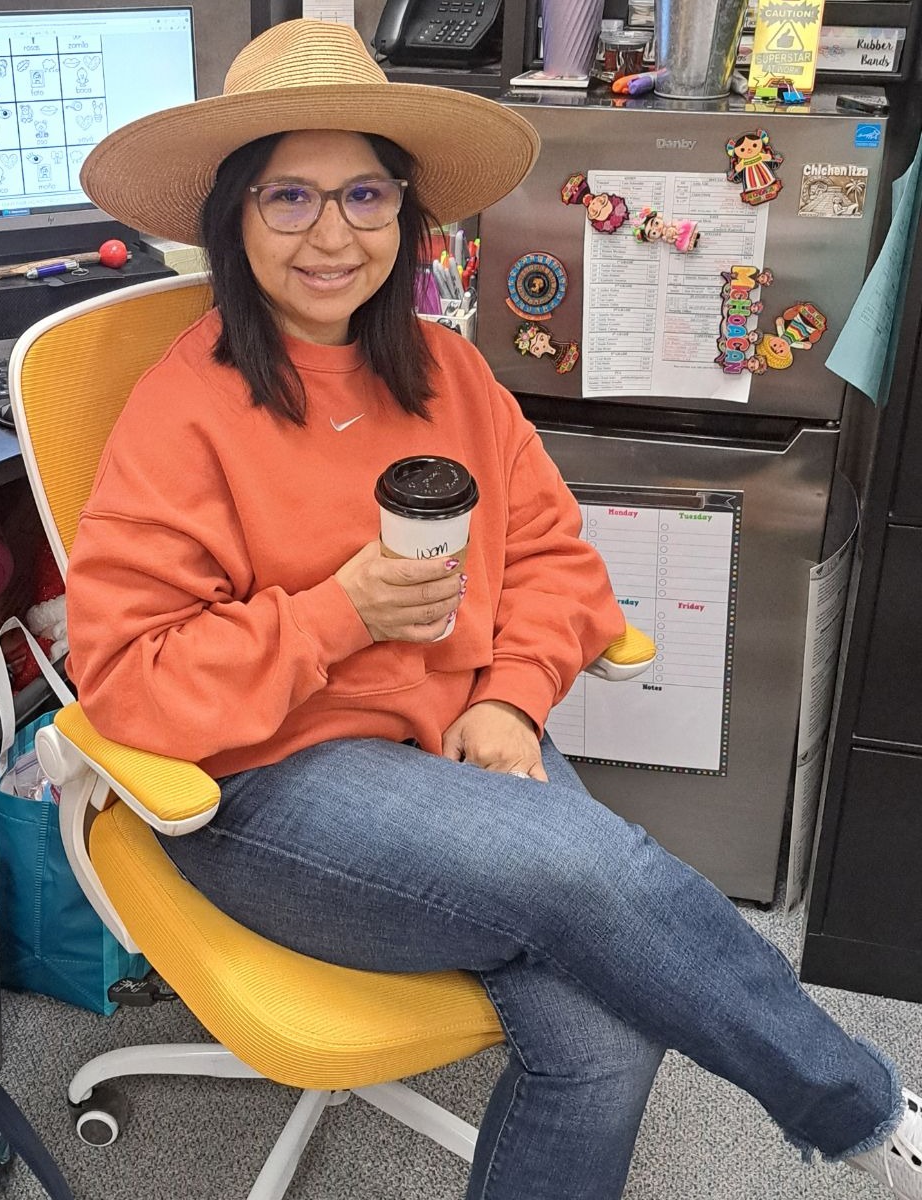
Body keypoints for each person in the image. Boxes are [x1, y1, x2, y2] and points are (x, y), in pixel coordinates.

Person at [66, 19, 921, 1200]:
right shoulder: (186, 412)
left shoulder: (449, 370)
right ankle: (865, 1111)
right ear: (233, 217)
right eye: (290, 198)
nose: (332, 235)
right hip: (266, 781)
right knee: (600, 881)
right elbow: (131, 680)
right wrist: (336, 613)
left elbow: (560, 562)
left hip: (463, 735)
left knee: (607, 1031)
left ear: (407, 213)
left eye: (365, 194)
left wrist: (516, 701)